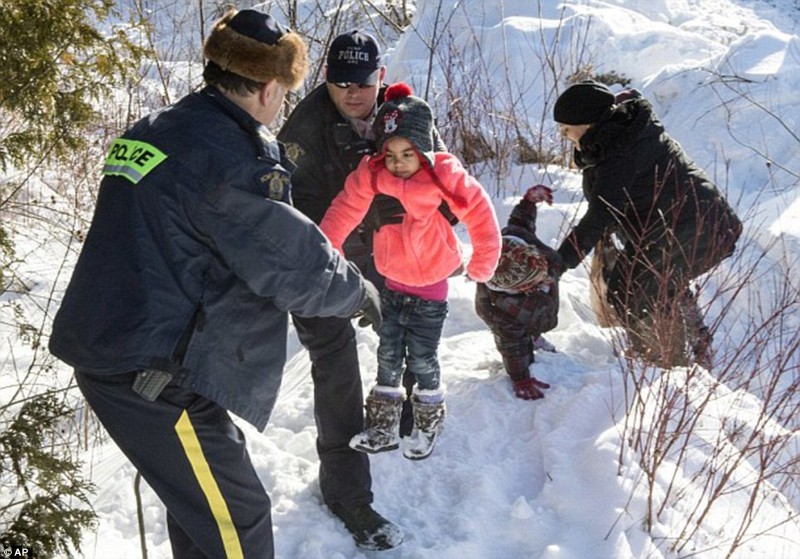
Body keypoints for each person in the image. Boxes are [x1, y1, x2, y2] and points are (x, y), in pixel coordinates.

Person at [47, 9, 383, 558]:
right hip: (150, 375)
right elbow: (289, 260)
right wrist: (356, 290)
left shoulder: (157, 130)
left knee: (205, 512)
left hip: (121, 349)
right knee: (239, 522)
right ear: (270, 87)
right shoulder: (233, 157)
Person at [276, 30, 448, 547]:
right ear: (326, 77)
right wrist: (345, 263)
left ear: (381, 77)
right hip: (321, 258)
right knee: (337, 366)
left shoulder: (404, 113)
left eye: (364, 81)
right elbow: (290, 214)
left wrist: (422, 208)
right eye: (341, 81)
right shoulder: (303, 129)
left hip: (392, 250)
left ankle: (413, 412)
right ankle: (348, 495)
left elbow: (445, 175)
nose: (354, 92)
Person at [320, 82, 502, 460]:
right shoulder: (372, 175)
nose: (399, 162)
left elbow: (479, 211)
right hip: (392, 279)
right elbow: (345, 208)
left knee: (420, 357)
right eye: (390, 154)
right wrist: (326, 250)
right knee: (388, 355)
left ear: (424, 149)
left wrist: (484, 258)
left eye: (408, 153)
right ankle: (383, 428)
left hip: (431, 285)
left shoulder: (442, 174)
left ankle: (427, 423)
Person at [553, 80, 742, 367]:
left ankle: (663, 364)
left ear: (590, 123)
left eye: (567, 127)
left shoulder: (621, 150)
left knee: (632, 289)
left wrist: (559, 262)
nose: (562, 133)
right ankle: (695, 341)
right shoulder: (617, 136)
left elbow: (602, 214)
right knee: (657, 281)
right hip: (685, 225)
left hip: (699, 228)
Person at [475, 185, 561, 400]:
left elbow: (520, 222)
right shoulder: (502, 310)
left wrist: (528, 203)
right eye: (538, 280)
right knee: (520, 334)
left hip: (534, 301)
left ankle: (533, 333)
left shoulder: (515, 240)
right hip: (516, 319)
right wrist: (520, 377)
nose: (546, 277)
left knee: (534, 314)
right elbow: (510, 345)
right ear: (520, 289)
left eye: (542, 270)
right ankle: (530, 336)